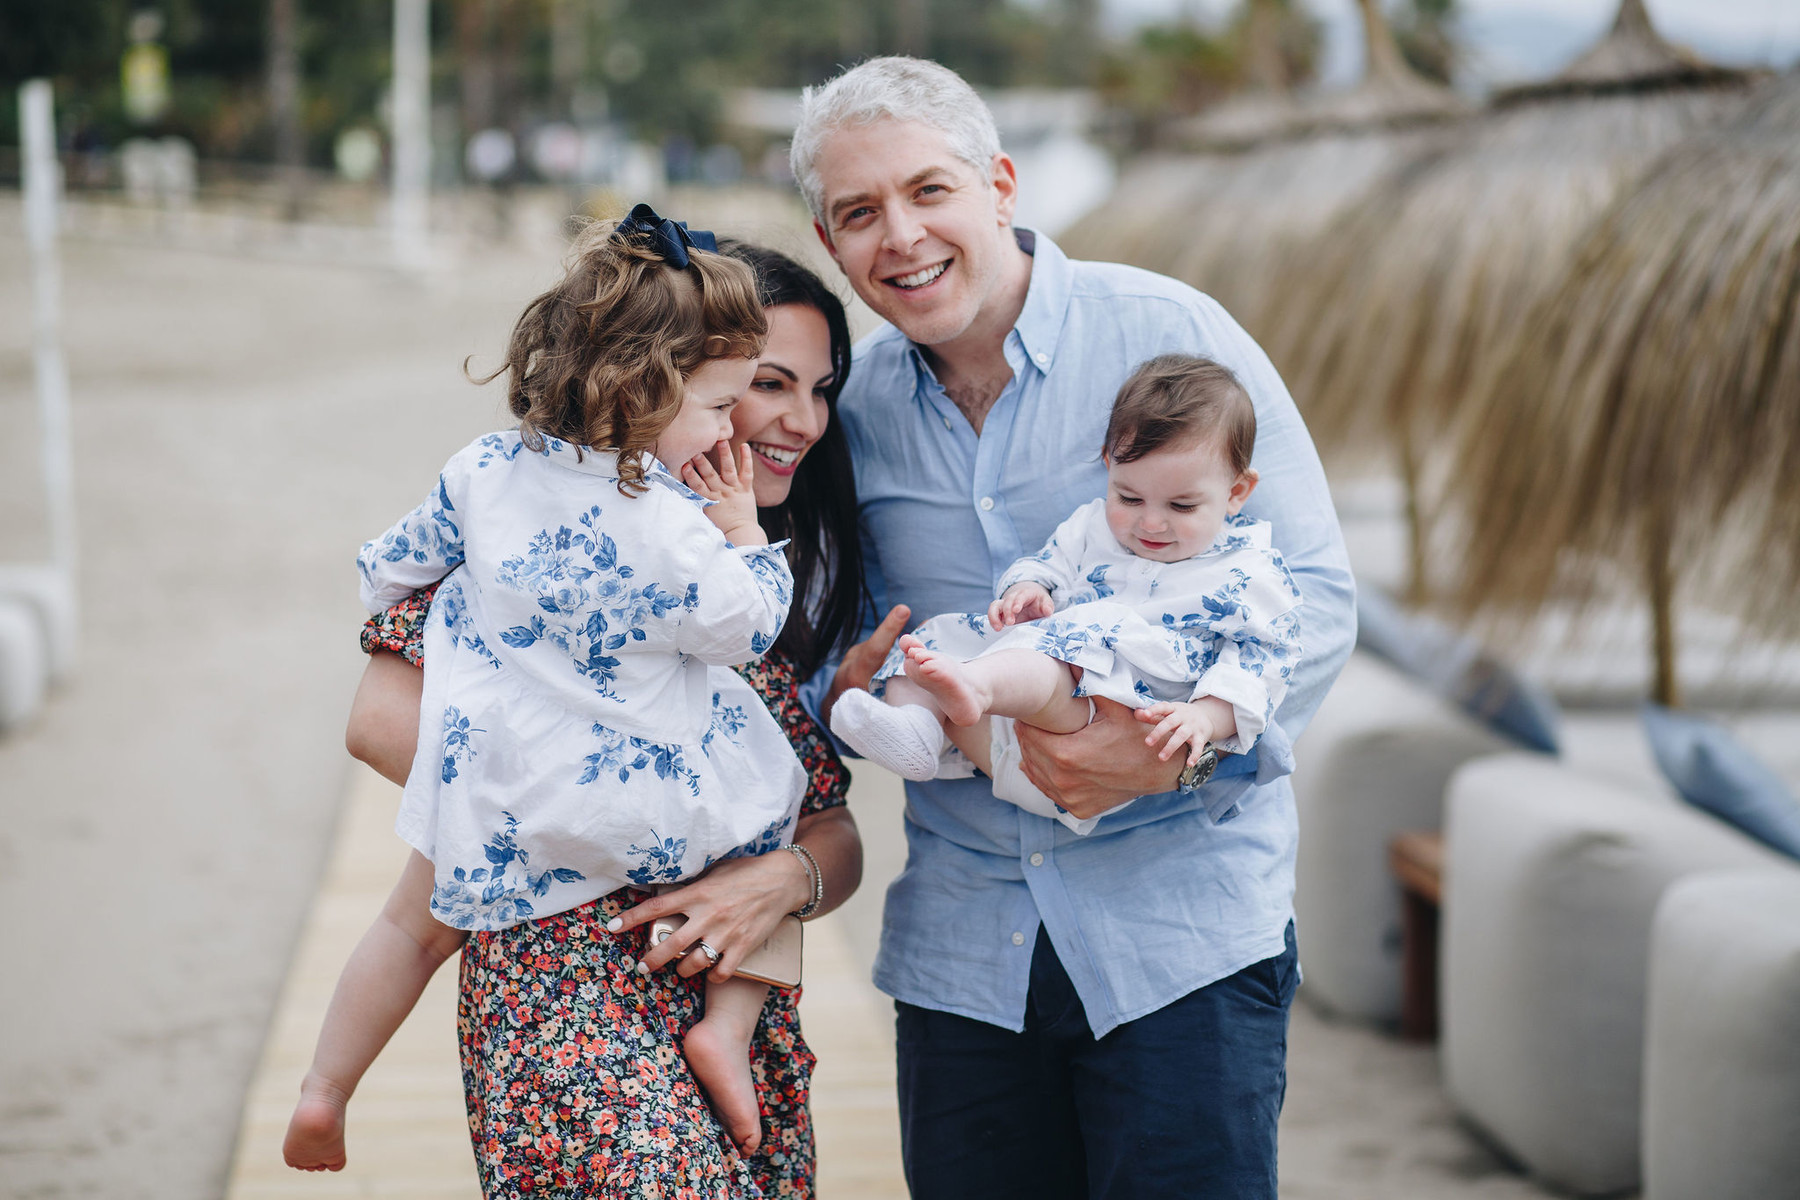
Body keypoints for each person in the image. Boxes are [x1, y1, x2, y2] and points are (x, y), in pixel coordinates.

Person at [790, 57, 1356, 1197]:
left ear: (1001, 183)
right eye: (860, 213)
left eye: (929, 190)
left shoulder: (1169, 332)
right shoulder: (846, 419)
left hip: (1182, 946)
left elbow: (1316, 597)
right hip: (964, 958)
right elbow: (830, 653)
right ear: (829, 241)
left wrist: (1154, 765)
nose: (900, 236)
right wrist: (842, 695)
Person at [286, 226, 897, 1197]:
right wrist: (583, 807)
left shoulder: (496, 477)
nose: (785, 421)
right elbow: (374, 722)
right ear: (652, 386)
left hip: (709, 987)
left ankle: (329, 1084)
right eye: (753, 389)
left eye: (821, 391)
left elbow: (828, 828)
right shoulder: (692, 549)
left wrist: (787, 871)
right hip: (565, 983)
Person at [831, 354, 1303, 837]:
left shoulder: (1250, 573)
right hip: (1008, 739)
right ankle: (919, 730)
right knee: (928, 646)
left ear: (1237, 491)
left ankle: (974, 686)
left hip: (1111, 727)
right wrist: (1028, 588)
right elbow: (1048, 562)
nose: (1152, 522)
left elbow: (1263, 663)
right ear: (1108, 466)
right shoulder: (1090, 526)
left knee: (1052, 651)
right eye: (1130, 497)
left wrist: (1207, 716)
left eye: (1182, 505)